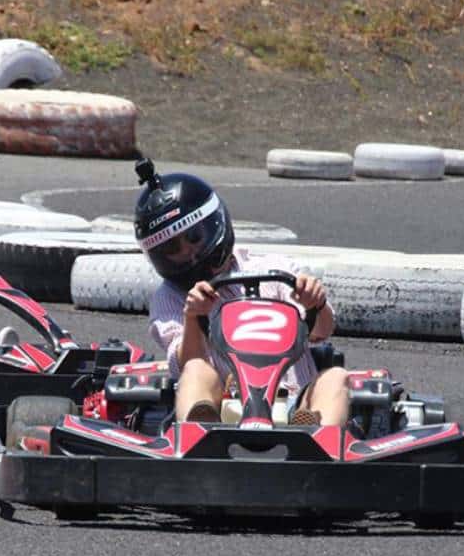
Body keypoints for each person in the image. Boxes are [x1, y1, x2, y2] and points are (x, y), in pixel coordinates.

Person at [134, 159, 350, 426]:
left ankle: (319, 440)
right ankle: (198, 431)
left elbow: (322, 331)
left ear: (215, 224)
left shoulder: (275, 269)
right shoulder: (171, 298)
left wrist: (316, 303)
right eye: (172, 250)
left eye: (193, 238)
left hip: (296, 404)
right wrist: (193, 317)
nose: (188, 252)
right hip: (224, 407)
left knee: (335, 377)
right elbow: (188, 363)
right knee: (195, 370)